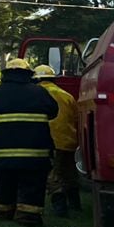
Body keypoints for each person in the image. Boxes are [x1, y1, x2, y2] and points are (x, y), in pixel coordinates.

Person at [0, 57, 57, 227]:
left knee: (4, 183)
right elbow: (54, 112)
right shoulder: (39, 93)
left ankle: (3, 211)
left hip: (3, 153)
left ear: (6, 74)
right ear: (28, 74)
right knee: (32, 184)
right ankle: (27, 216)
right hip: (34, 153)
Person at [34, 63, 82, 218]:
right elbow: (76, 118)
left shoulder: (37, 94)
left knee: (53, 176)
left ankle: (60, 208)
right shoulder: (66, 95)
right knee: (70, 173)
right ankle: (75, 203)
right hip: (69, 142)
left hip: (51, 141)